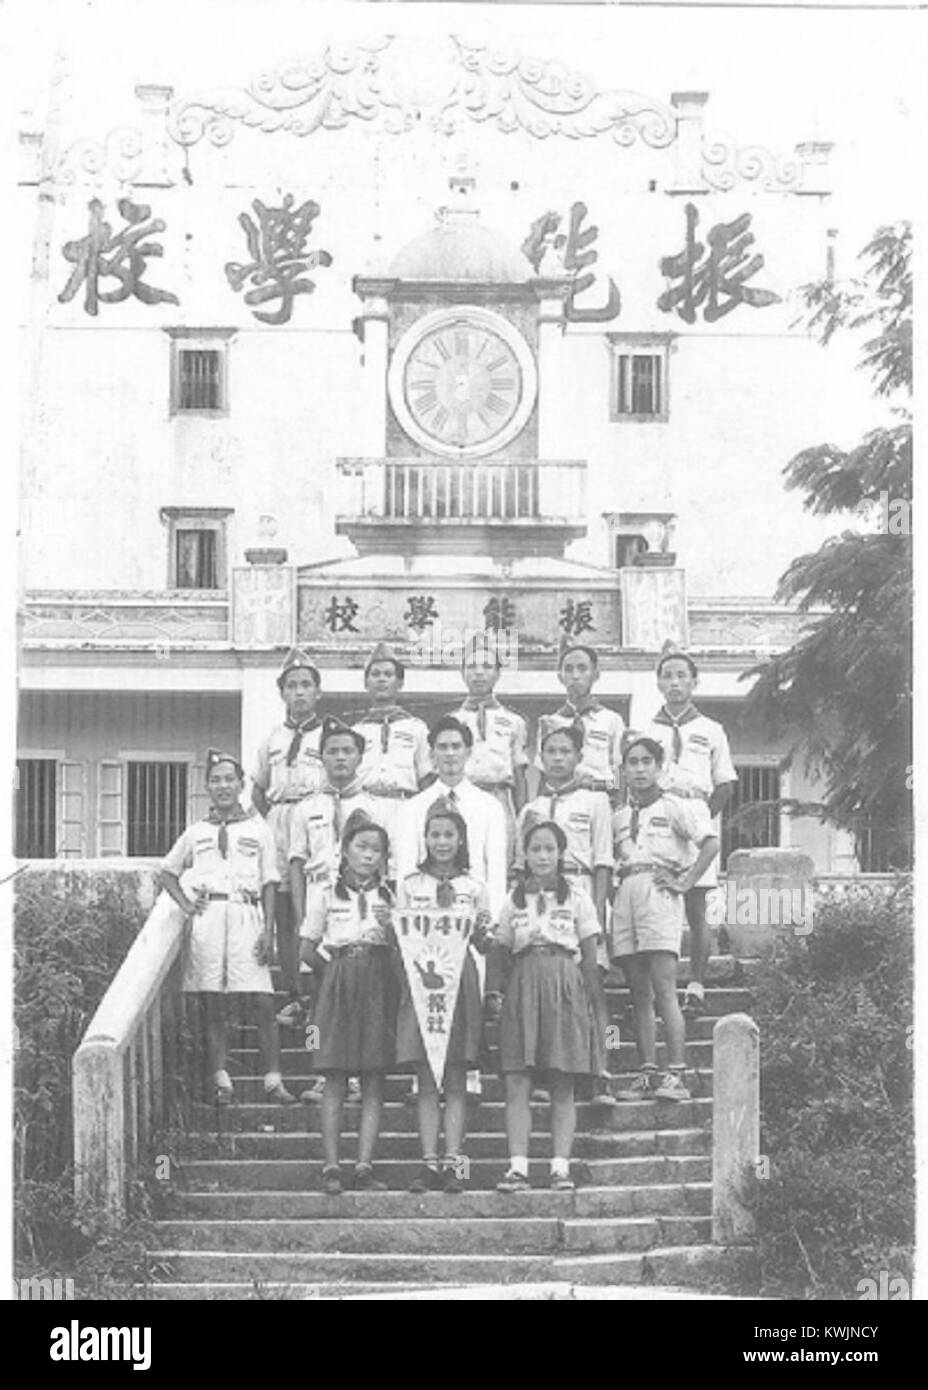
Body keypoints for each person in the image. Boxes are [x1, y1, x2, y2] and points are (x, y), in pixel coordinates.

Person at [160, 748, 296, 1106]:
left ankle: (273, 1080)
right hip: (209, 919)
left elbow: (270, 881)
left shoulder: (258, 829)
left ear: (241, 784)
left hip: (246, 914)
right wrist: (187, 905)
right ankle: (221, 1080)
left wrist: (268, 931)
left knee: (263, 1000)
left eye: (229, 779)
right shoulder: (196, 832)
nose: (223, 786)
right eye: (215, 780)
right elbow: (167, 872)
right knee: (213, 1002)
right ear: (207, 786)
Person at [488, 819, 609, 1192]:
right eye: (535, 849)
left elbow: (590, 956)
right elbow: (500, 949)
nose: (542, 856)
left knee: (561, 1080)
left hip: (564, 984)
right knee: (517, 1080)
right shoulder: (513, 899)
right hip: (523, 982)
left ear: (560, 854)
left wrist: (589, 1004)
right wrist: (495, 993)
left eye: (549, 849)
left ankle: (560, 1167)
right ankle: (518, 1167)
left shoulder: (577, 897)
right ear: (525, 855)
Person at [398, 715, 507, 1104]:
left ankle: (469, 1073)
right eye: (441, 747)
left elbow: (495, 866)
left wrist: (488, 919)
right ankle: (425, 1074)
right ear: (431, 754)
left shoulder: (488, 805)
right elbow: (406, 867)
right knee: (427, 987)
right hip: (425, 915)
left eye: (456, 746)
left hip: (469, 908)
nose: (449, 754)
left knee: (468, 994)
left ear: (468, 751)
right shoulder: (414, 807)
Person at [611, 735, 719, 1103]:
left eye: (647, 762)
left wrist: (685, 883)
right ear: (623, 769)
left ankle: (676, 1073)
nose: (640, 769)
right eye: (632, 762)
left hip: (659, 894)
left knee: (664, 987)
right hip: (627, 894)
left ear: (660, 767)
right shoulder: (620, 817)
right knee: (638, 992)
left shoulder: (674, 806)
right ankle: (646, 1073)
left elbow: (710, 843)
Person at [517, 722, 616, 1108]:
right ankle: (548, 1071)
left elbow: (603, 860)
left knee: (594, 990)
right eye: (551, 752)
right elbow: (520, 866)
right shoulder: (531, 809)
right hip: (541, 900)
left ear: (578, 757)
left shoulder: (595, 801)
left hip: (582, 892)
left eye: (565, 752)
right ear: (540, 758)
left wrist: (600, 914)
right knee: (549, 995)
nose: (558, 759)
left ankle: (603, 1069)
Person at [396, 798, 492, 1194]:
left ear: (461, 839)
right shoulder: (410, 886)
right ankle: (428, 1163)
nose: (441, 842)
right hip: (421, 983)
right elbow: (400, 939)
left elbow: (484, 945)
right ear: (425, 839)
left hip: (459, 981)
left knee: (455, 1076)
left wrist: (484, 930)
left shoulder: (474, 887)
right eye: (434, 834)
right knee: (425, 1077)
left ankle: (455, 1163)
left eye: (449, 834)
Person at [300, 810, 398, 1195]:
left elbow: (403, 948)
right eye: (362, 847)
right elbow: (306, 949)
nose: (369, 855)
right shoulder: (326, 893)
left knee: (374, 1077)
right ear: (345, 850)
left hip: (378, 982)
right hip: (338, 980)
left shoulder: (391, 897)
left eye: (377, 850)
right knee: (335, 1076)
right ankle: (331, 1166)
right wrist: (334, 977)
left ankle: (363, 1166)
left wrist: (391, 927)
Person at [289, 717, 384, 1104]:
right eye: (332, 751)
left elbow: (383, 861)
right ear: (321, 757)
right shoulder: (305, 807)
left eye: (348, 751)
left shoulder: (375, 806)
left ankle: (357, 1076)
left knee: (360, 1004)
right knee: (317, 1003)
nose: (340, 758)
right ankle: (319, 1070)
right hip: (319, 902)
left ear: (360, 757)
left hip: (358, 906)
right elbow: (296, 863)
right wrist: (301, 915)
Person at [647, 648, 737, 1015]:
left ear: (694, 681)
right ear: (658, 682)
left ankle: (696, 986)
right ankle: (660, 991)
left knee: (697, 907)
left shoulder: (711, 729)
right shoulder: (647, 729)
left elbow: (726, 783)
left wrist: (700, 817)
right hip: (660, 812)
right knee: (657, 902)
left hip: (696, 810)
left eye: (682, 675)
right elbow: (631, 775)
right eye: (667, 675)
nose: (675, 682)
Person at [251, 648, 325, 1030]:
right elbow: (258, 790)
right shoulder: (272, 739)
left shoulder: (329, 735)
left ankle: (318, 996)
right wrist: (278, 820)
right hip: (281, 820)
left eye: (306, 685)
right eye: (292, 685)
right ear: (282, 692)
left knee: (315, 909)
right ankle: (295, 995)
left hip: (315, 822)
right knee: (285, 914)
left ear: (318, 692)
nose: (299, 692)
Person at [352, 642, 432, 881]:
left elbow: (426, 779)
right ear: (366, 683)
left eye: (388, 674)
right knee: (365, 872)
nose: (381, 679)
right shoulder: (356, 731)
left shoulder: (416, 728)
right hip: (366, 806)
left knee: (403, 870)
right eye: (375, 674)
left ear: (400, 682)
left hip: (403, 805)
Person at [450, 641, 529, 866]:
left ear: (498, 673)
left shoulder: (514, 721)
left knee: (499, 866)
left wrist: (522, 818)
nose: (479, 673)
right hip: (462, 797)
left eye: (487, 667)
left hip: (499, 797)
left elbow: (519, 776)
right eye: (471, 666)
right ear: (462, 673)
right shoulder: (452, 720)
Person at [536, 644, 626, 797]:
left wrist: (596, 787)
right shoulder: (550, 723)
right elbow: (544, 777)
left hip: (600, 798)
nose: (575, 676)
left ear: (596, 674)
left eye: (582, 669)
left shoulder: (611, 720)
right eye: (568, 669)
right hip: (561, 801)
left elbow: (619, 776)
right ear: (560, 676)